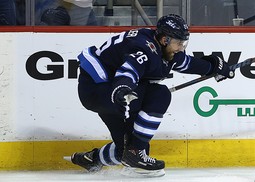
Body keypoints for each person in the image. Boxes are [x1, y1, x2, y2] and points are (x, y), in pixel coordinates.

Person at [69, 14, 234, 177]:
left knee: (124, 151)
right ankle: (136, 151)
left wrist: (215, 67)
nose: (181, 48)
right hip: (98, 89)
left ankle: (91, 159)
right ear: (164, 40)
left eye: (183, 43)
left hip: (110, 90)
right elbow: (128, 71)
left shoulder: (165, 49)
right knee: (160, 95)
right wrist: (122, 89)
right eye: (179, 43)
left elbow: (187, 63)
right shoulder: (144, 49)